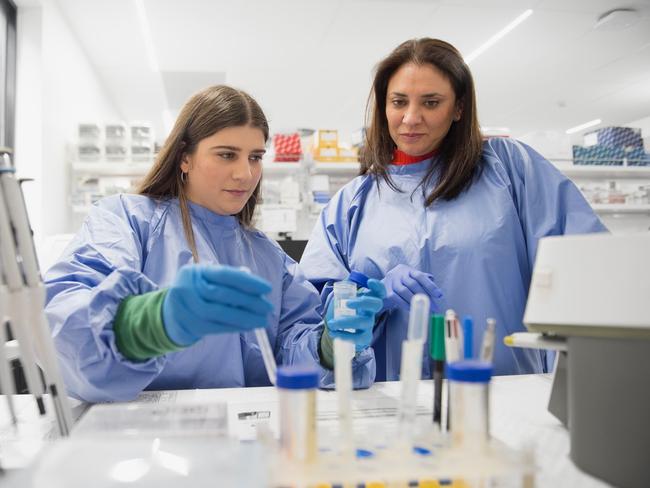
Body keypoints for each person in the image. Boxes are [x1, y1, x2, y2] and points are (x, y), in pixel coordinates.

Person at [44, 85, 384, 403]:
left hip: (246, 439)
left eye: (254, 157)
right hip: (146, 440)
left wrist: (329, 345)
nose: (245, 174)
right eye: (226, 155)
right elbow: (62, 322)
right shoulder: (128, 220)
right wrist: (153, 321)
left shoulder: (267, 256)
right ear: (184, 157)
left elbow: (292, 346)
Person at [300, 38, 607, 380]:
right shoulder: (350, 204)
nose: (411, 118)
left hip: (502, 393)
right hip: (393, 405)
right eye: (398, 102)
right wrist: (370, 304)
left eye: (431, 103)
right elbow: (316, 328)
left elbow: (587, 267)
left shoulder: (510, 170)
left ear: (458, 108)